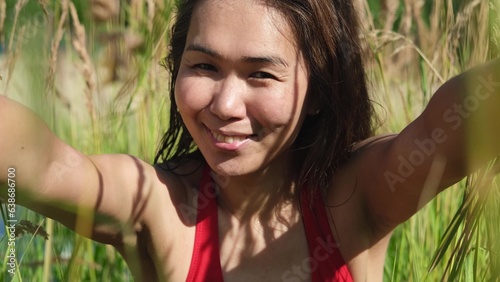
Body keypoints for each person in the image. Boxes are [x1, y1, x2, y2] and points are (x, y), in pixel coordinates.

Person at [1, 0, 499, 281]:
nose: (224, 104)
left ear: (322, 90)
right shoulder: (159, 207)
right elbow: (43, 166)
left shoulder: (357, 196)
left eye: (261, 74)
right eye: (204, 66)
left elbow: (458, 122)